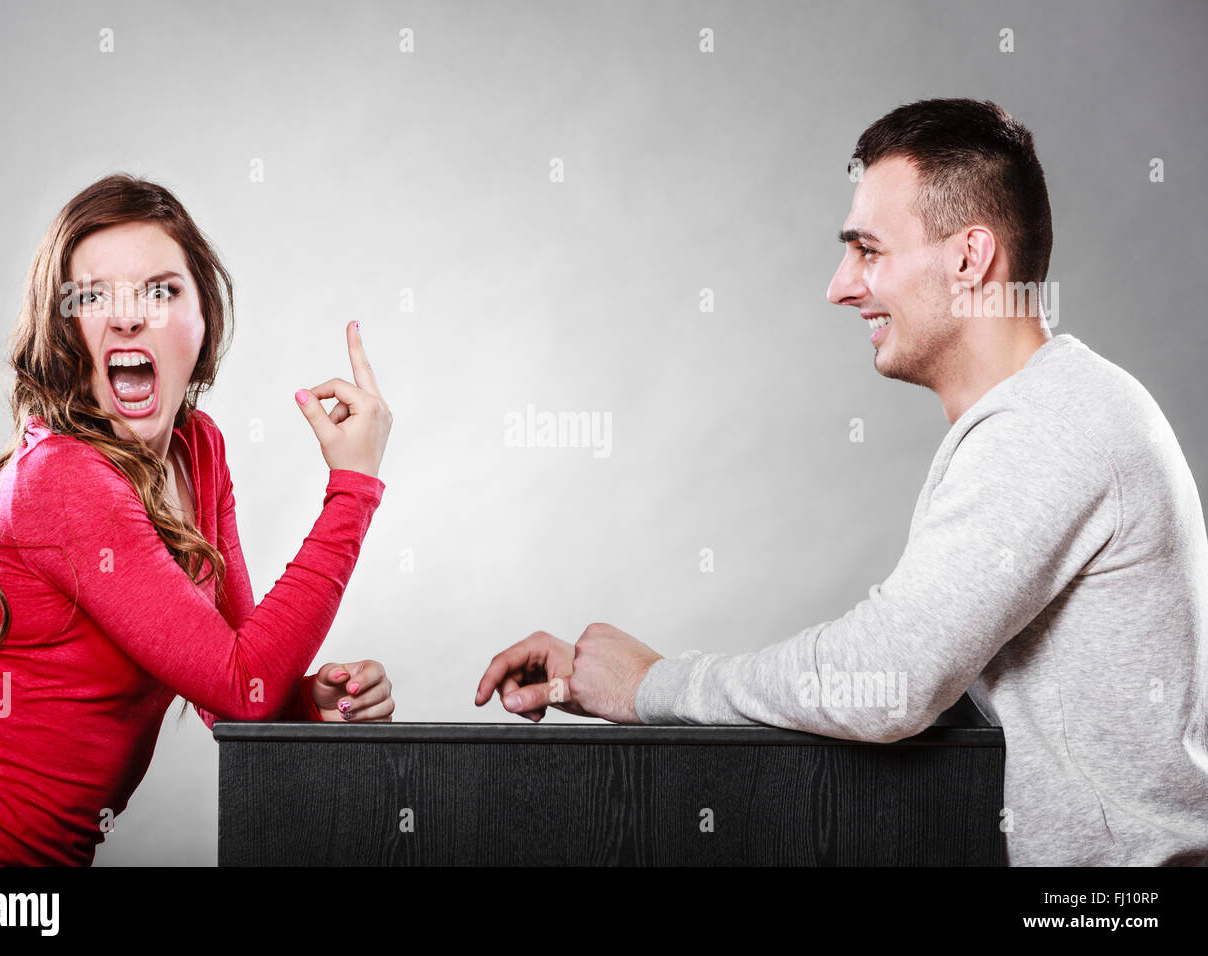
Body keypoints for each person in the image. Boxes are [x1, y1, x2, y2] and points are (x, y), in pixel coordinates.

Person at [475, 98, 1208, 866]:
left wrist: (653, 686)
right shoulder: (1054, 410)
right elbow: (918, 687)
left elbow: (890, 676)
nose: (840, 286)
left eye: (867, 250)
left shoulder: (1049, 426)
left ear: (969, 258)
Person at [0, 174, 394, 865]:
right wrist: (353, 488)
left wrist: (312, 701)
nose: (129, 316)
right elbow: (240, 685)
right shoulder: (62, 479)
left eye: (162, 290)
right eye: (94, 294)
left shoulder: (199, 448)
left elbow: (235, 688)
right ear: (67, 329)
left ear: (204, 321)